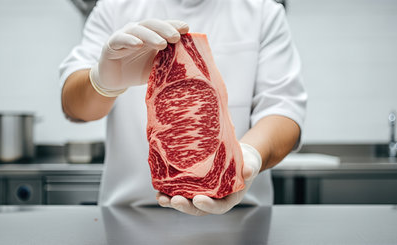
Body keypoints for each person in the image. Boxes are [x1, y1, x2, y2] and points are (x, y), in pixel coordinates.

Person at [59, 0, 307, 216]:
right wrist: (103, 80)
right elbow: (74, 107)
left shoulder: (263, 11)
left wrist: (250, 157)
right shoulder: (113, 8)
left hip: (238, 213)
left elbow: (284, 111)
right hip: (129, 217)